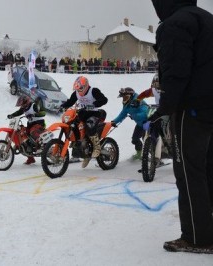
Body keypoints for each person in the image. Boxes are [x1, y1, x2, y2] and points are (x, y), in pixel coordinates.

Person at [150, 0, 213, 253]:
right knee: (209, 166)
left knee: (189, 171)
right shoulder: (206, 18)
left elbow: (176, 71)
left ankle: (198, 237)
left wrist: (165, 109)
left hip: (193, 109)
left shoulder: (174, 25)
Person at [60, 76, 108, 168]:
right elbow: (70, 101)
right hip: (82, 114)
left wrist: (94, 104)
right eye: (77, 89)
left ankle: (97, 147)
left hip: (94, 114)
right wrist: (62, 105)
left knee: (89, 125)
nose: (79, 91)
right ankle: (81, 148)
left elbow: (104, 100)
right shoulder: (76, 93)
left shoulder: (93, 91)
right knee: (73, 125)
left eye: (81, 88)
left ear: (86, 85)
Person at [111, 87, 149, 160]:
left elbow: (146, 112)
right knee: (135, 139)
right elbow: (122, 115)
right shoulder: (127, 105)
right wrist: (114, 122)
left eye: (126, 97)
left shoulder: (138, 100)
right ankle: (139, 154)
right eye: (123, 98)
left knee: (146, 139)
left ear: (131, 96)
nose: (124, 99)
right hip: (140, 124)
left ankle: (155, 155)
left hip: (146, 123)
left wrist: (135, 115)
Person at [7, 95, 46, 165]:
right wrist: (12, 115)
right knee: (23, 137)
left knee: (33, 132)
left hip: (39, 124)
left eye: (22, 104)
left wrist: (34, 115)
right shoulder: (24, 108)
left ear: (26, 102)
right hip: (31, 124)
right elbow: (18, 113)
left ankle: (40, 147)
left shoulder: (34, 106)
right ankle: (30, 158)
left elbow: (43, 112)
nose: (22, 106)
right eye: (21, 105)